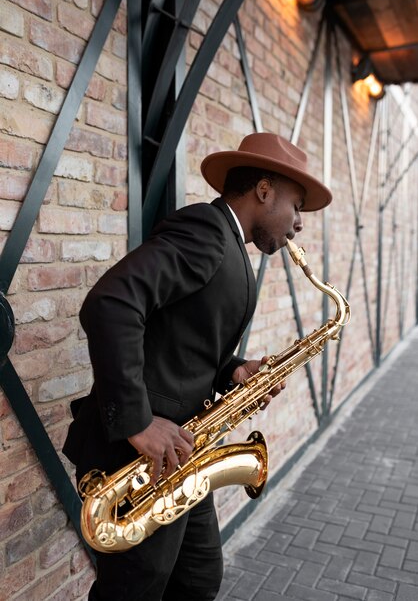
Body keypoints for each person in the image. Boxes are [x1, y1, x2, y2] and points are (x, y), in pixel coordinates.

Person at [63, 132, 332, 601]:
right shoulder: (207, 231)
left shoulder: (225, 241)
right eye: (297, 205)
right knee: (136, 590)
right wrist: (138, 422)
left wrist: (232, 370)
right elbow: (111, 304)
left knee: (197, 580)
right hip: (143, 457)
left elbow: (177, 333)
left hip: (186, 452)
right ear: (263, 190)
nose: (299, 224)